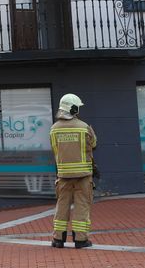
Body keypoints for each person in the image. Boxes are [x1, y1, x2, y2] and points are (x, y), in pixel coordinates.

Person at [50, 93, 97, 249]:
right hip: (83, 176)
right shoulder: (84, 127)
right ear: (74, 109)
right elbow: (94, 144)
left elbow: (55, 150)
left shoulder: (54, 129)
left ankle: (58, 239)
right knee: (81, 206)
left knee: (61, 205)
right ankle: (80, 240)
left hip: (63, 176)